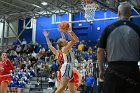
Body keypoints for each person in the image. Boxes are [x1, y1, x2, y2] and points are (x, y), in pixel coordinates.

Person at [97, 2, 140, 93]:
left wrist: (101, 70)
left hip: (114, 70)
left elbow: (100, 51)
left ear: (119, 13)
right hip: (133, 70)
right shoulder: (137, 29)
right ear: (130, 14)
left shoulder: (109, 29)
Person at [43, 26, 79, 93]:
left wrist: (63, 32)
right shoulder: (59, 52)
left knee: (72, 91)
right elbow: (50, 46)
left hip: (69, 69)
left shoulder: (65, 47)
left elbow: (71, 40)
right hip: (64, 70)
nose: (66, 41)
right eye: (64, 41)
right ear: (62, 44)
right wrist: (47, 38)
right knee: (61, 89)